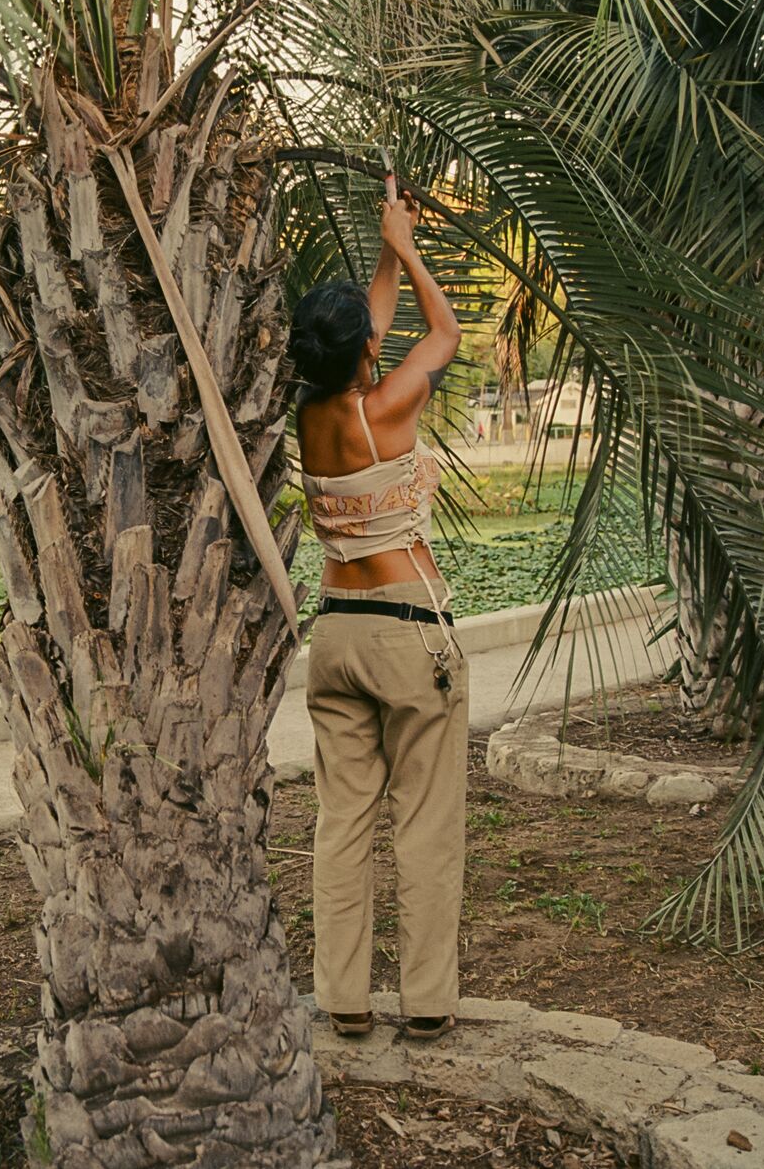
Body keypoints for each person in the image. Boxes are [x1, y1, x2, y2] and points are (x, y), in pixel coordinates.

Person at [288, 190, 465, 1042]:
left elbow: (373, 327)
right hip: (406, 631)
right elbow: (444, 336)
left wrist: (386, 253)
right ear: (363, 351)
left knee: (344, 820)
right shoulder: (383, 408)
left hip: (337, 634)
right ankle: (426, 1004)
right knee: (425, 824)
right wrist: (412, 251)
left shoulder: (316, 411)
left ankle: (345, 999)